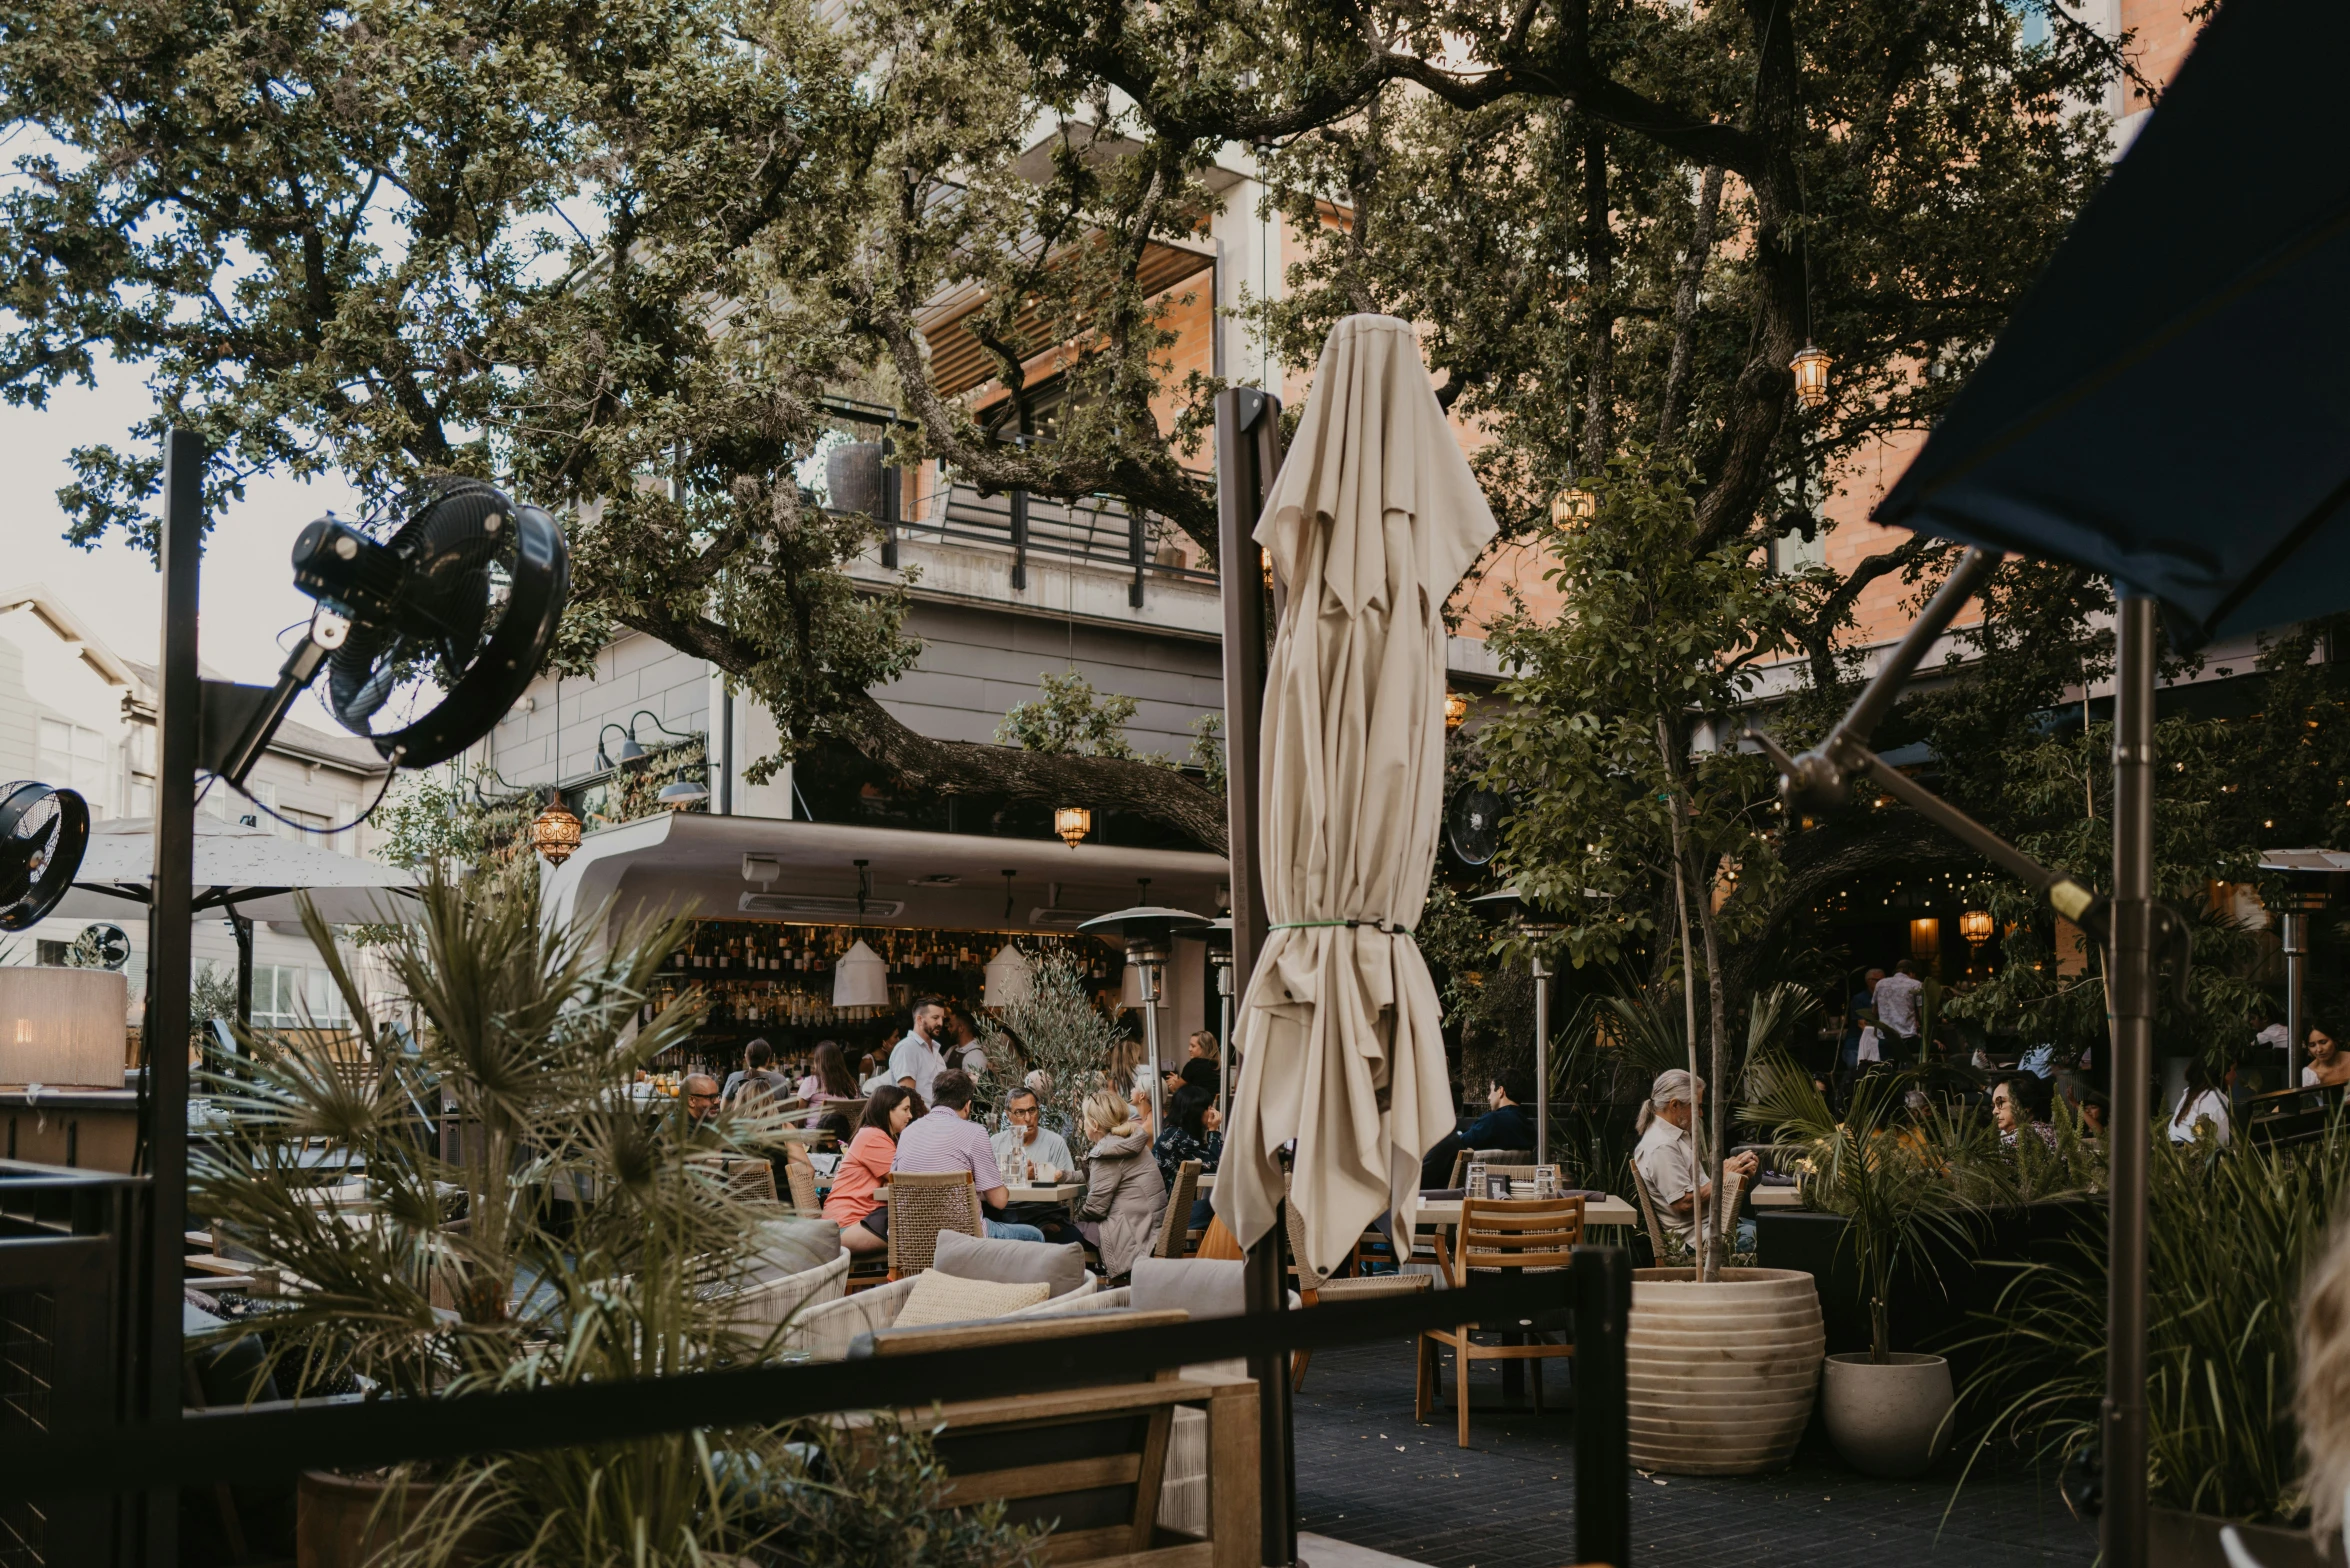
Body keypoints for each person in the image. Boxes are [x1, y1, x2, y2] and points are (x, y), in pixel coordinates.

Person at [892, 1069, 1045, 1241]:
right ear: (967, 1106)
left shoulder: (906, 1133)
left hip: (912, 1242)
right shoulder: (974, 1132)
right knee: (1035, 1236)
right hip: (964, 1241)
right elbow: (999, 1201)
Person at [1631, 1069, 1757, 1248]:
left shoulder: (1675, 1138)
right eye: (1696, 1106)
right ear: (1675, 1105)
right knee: (1778, 1236)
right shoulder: (1661, 1146)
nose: (1700, 1113)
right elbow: (1684, 1204)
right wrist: (1723, 1175)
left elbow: (1702, 1190)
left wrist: (1737, 1172)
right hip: (1697, 1243)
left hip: (1712, 1226)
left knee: (1776, 1227)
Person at [1075, 1086, 1167, 1279]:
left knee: (1060, 1235)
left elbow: (1095, 1209)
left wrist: (1074, 1218)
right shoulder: (1126, 1143)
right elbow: (1102, 1176)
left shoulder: (1107, 1152)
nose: (1083, 1124)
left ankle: (1083, 1293)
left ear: (1094, 1124)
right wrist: (1062, 1176)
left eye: (1084, 1119)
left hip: (1132, 1238)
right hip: (1148, 1230)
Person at [826, 1084, 923, 1256]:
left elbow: (895, 1179)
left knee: (921, 1226)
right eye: (905, 1109)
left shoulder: (878, 1136)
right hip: (848, 1225)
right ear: (888, 1110)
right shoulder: (873, 1137)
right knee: (924, 1230)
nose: (910, 1115)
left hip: (856, 1221)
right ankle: (911, 1281)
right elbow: (907, 1180)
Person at [1417, 1072, 1538, 1190]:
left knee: (1446, 1144)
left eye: (1491, 1091)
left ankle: (1413, 1185)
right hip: (1504, 1189)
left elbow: (1463, 1141)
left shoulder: (1493, 1120)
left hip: (1468, 1186)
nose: (1489, 1097)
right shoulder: (1528, 1126)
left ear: (1500, 1090)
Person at [1154, 1083, 1222, 1231]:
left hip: (1168, 1211)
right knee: (1226, 1207)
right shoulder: (1179, 1138)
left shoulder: (1176, 1133)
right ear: (1196, 1111)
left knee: (1225, 1204)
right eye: (1208, 1107)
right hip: (1168, 1217)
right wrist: (1213, 1131)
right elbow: (1214, 1165)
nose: (1212, 1111)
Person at [991, 1084, 1075, 1182]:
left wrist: (1037, 1173)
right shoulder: (996, 1143)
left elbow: (1069, 1184)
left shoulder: (1055, 1143)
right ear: (1008, 1115)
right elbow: (984, 1181)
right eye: (1020, 1112)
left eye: (1032, 1110)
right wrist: (1019, 1173)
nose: (1028, 1118)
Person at [888, 998, 951, 1100]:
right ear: (919, 1020)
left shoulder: (936, 1051)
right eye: (935, 1018)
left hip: (940, 1115)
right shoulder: (907, 1048)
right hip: (920, 1116)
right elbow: (907, 1097)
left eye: (942, 1018)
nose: (940, 1023)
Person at [1837, 968, 1885, 1101]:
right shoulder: (1860, 999)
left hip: (1878, 1042)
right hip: (1856, 1044)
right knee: (1855, 1071)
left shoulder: (1885, 998)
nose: (1882, 984)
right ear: (1869, 981)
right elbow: (1862, 1024)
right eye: (1878, 980)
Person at [2169, 1060, 2232, 1146]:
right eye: (2232, 1070)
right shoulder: (2218, 1102)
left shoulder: (2188, 1095)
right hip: (2200, 1156)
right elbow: (2228, 1144)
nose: (2235, 1075)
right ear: (2220, 1074)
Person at [1992, 1075, 2059, 1151]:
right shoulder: (2041, 1129)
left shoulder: (2021, 1137)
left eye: (2001, 1102)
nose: (1994, 1111)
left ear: (2026, 1105)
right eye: (1994, 1105)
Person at [1872, 961, 1926, 1057]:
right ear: (1911, 972)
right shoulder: (1916, 984)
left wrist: (1876, 1030)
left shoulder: (1880, 983)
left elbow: (1874, 1011)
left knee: (1886, 1069)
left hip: (1885, 1036)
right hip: (1907, 1037)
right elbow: (1922, 1013)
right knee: (1908, 1069)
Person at [723, 1039, 790, 1106]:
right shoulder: (781, 1080)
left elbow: (723, 1109)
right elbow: (787, 1108)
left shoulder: (734, 1078)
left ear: (746, 1058)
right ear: (768, 1059)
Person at [798, 1039, 861, 1105]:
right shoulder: (852, 1084)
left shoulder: (810, 1082)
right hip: (845, 1115)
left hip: (820, 1115)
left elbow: (799, 1111)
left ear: (818, 1061)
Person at [2307, 1022, 2350, 1088]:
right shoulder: (2309, 1075)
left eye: (2323, 1042)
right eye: (2312, 1045)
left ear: (2334, 1040)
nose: (2319, 1049)